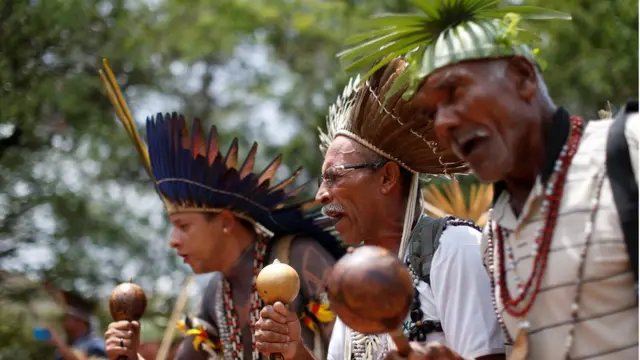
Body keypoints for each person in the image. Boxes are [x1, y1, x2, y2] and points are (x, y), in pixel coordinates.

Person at [338, 1, 639, 359]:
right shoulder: (496, 235)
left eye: (455, 92)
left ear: (523, 77)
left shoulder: (627, 150)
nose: (444, 123)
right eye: (433, 112)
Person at [254, 60, 506, 359]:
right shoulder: (354, 278)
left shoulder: (453, 248)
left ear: (386, 177)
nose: (321, 194)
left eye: (335, 177)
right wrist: (294, 350)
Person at [98, 63, 345, 360]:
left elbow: (361, 351)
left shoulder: (301, 257)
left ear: (226, 221)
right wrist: (129, 355)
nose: (173, 240)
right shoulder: (217, 293)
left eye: (183, 226)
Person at [49, 291, 108, 360]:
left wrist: (57, 342)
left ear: (80, 321)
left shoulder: (96, 345)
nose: (64, 321)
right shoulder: (72, 345)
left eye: (68, 317)